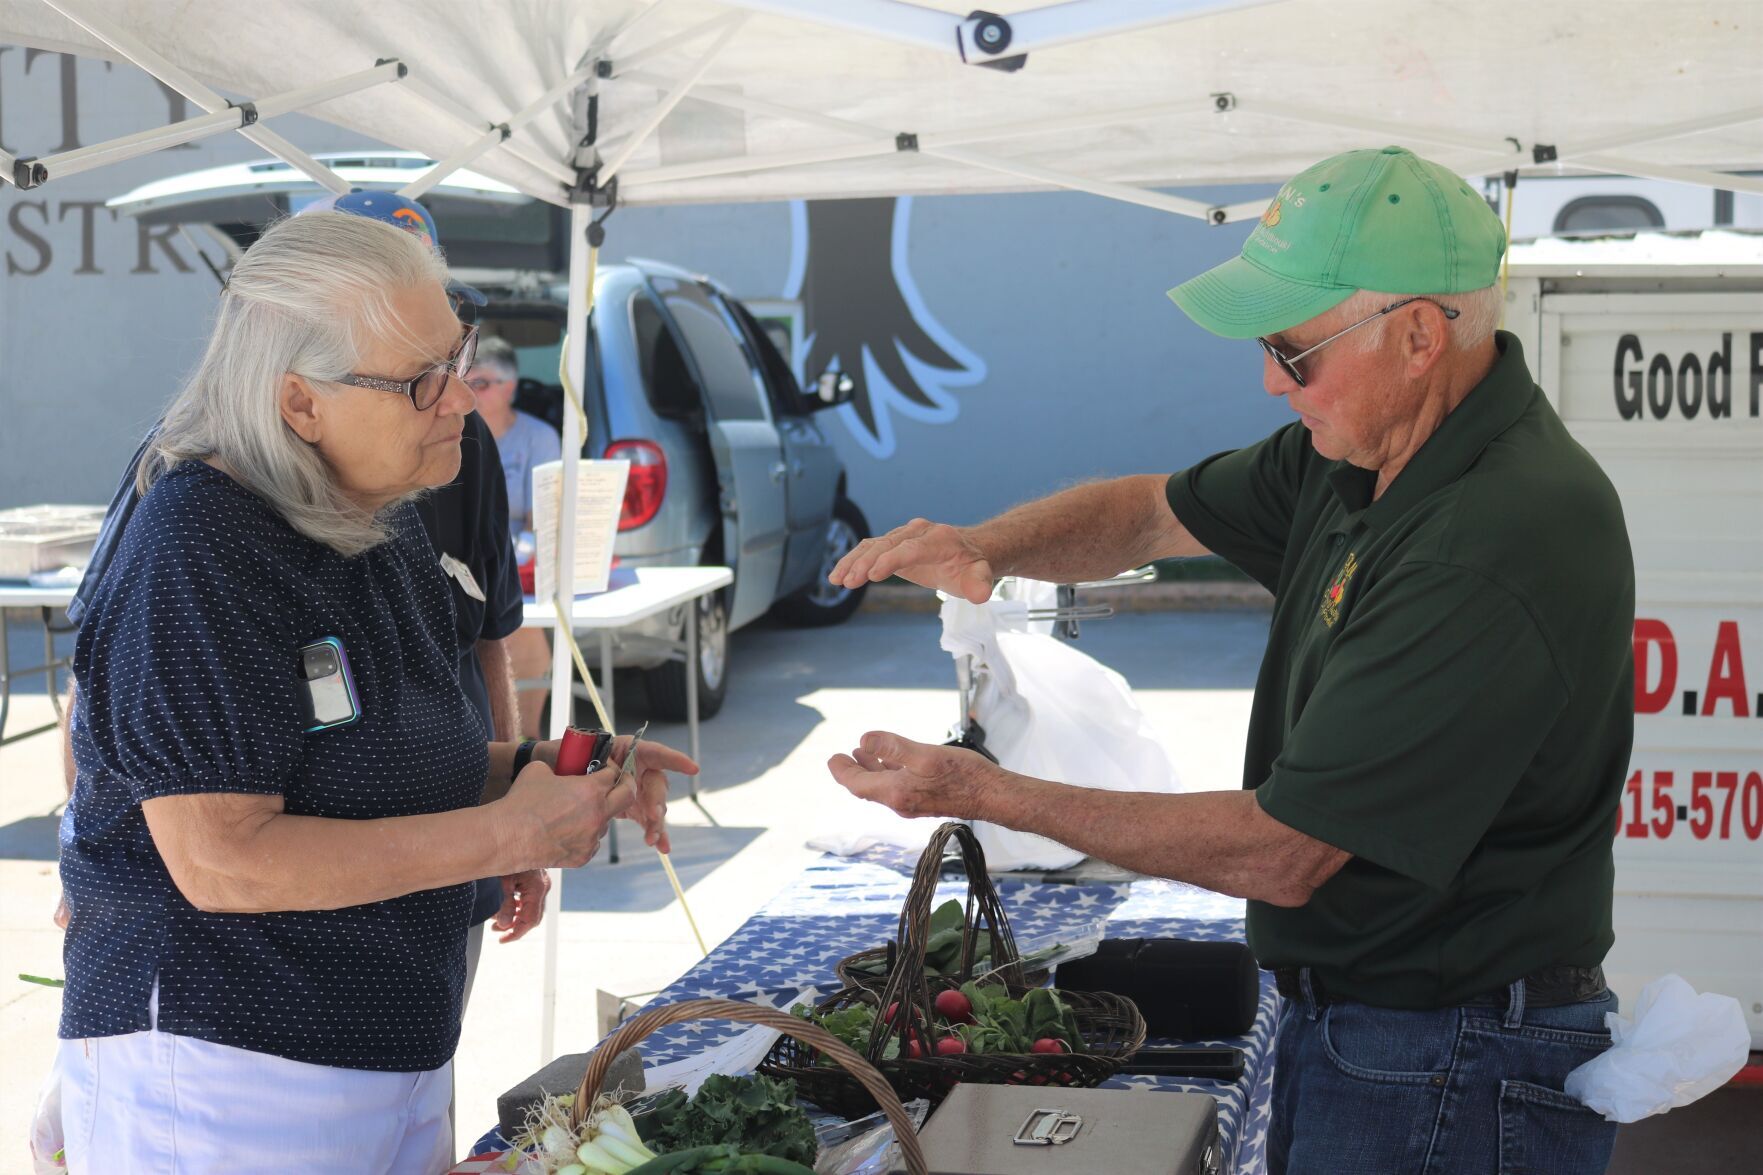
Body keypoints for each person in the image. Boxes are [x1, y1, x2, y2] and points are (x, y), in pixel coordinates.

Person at [825, 147, 1633, 1174]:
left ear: (1419, 335)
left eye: (1292, 350)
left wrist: (988, 792)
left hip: (1449, 1051)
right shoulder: (1370, 452)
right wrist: (989, 547)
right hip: (1382, 1025)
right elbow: (1152, 509)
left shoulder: (1488, 533)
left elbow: (1280, 853)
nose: (1266, 378)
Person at [51, 210, 692, 1173]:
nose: (463, 402)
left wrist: (552, 767)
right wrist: (510, 831)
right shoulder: (200, 543)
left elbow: (380, 758)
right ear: (298, 404)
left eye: (460, 359)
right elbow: (223, 862)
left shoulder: (371, 514)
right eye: (421, 381)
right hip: (230, 1067)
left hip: (387, 1047)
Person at [464, 334, 561, 739]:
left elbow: (546, 519)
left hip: (520, 561)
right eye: (466, 383)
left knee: (517, 621)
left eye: (482, 384)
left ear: (510, 388)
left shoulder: (539, 438)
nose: (470, 395)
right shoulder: (455, 434)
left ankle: (527, 737)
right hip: (470, 557)